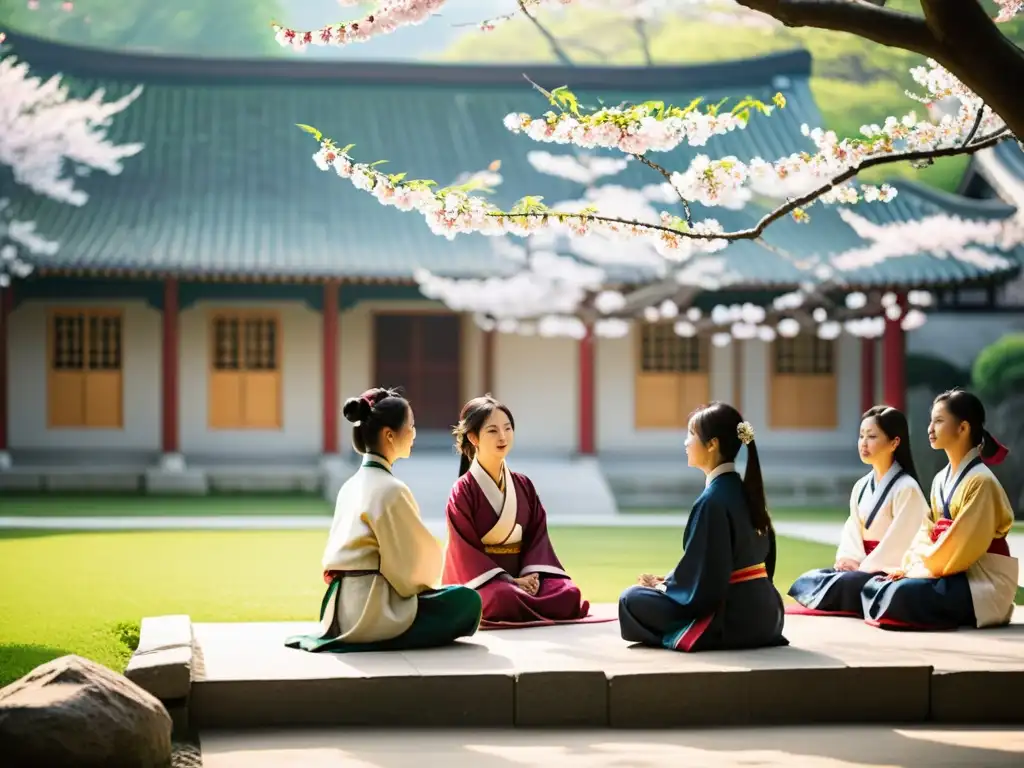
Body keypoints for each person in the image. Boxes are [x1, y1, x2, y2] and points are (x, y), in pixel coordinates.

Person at [285, 387, 482, 653]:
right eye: (410, 426)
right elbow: (413, 567)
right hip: (374, 610)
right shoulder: (391, 489)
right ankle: (384, 635)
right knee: (466, 601)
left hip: (340, 609)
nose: (414, 434)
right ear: (389, 435)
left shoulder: (350, 485)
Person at [618, 401, 788, 652]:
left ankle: (688, 636)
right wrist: (670, 581)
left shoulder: (713, 501)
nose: (685, 443)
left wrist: (662, 587)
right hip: (768, 615)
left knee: (630, 600)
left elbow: (705, 587)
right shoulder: (747, 493)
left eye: (691, 435)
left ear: (712, 444)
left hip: (734, 619)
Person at [862, 388, 1018, 631]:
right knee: (879, 585)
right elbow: (925, 533)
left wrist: (918, 572)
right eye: (930, 421)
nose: (929, 429)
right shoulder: (939, 480)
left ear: (963, 428)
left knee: (902, 593)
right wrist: (909, 566)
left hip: (979, 580)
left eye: (939, 421)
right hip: (946, 570)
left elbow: (962, 546)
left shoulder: (981, 482)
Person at [442, 394, 602, 628]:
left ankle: (527, 594)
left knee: (568, 593)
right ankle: (519, 595)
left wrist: (532, 576)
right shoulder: (463, 491)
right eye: (493, 431)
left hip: (526, 577)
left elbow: (537, 538)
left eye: (508, 428)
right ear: (473, 437)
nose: (503, 436)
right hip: (485, 582)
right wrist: (509, 580)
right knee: (502, 598)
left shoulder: (523, 485)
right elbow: (464, 551)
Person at [787, 406, 929, 617]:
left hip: (889, 569)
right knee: (812, 578)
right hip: (861, 566)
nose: (863, 442)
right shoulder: (861, 486)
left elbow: (902, 541)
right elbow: (852, 529)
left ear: (894, 442)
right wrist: (849, 560)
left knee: (847, 582)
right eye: (861, 435)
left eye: (871, 436)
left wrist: (866, 567)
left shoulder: (907, 488)